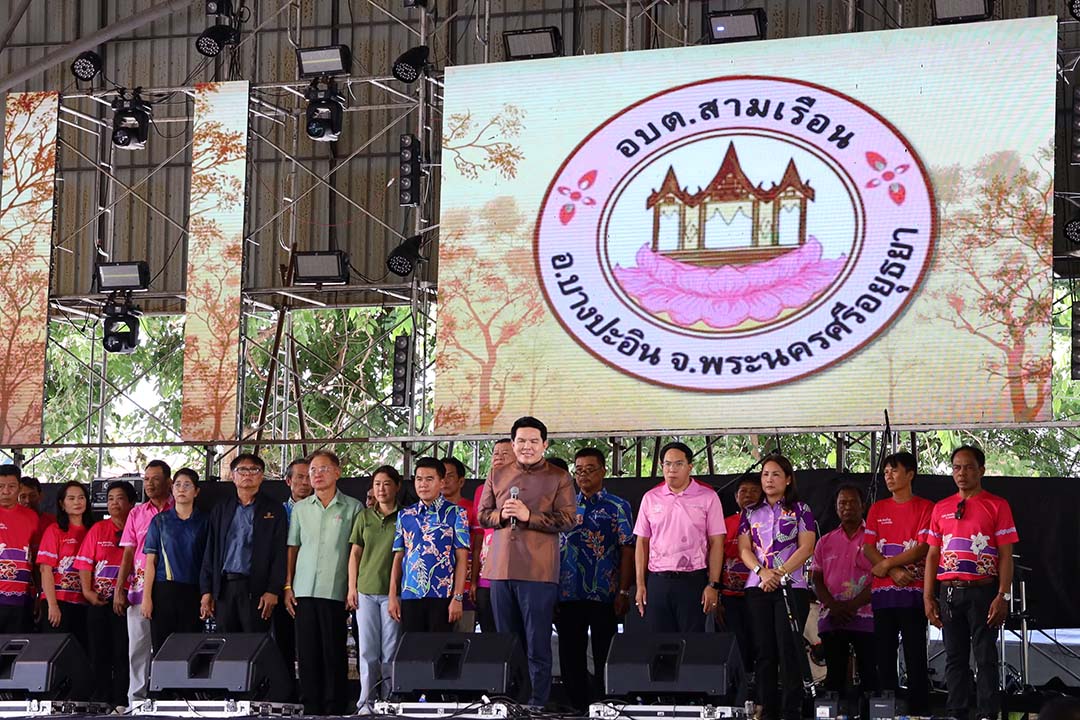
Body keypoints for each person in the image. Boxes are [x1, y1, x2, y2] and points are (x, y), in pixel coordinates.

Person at [478, 417, 576, 708]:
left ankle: (537, 702)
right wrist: (501, 515)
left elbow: (568, 520)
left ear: (544, 444)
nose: (527, 446)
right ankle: (511, 700)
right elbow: (482, 515)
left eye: (534, 441)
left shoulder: (559, 477)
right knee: (507, 642)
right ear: (512, 443)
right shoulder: (496, 474)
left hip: (538, 571)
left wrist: (528, 516)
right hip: (500, 569)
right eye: (521, 441)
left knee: (537, 642)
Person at [925, 445, 1018, 720]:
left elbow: (1006, 554)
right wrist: (928, 596)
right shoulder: (941, 508)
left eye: (968, 467)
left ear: (981, 470)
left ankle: (988, 713)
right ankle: (957, 711)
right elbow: (932, 554)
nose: (962, 473)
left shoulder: (997, 505)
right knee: (954, 656)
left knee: (985, 655)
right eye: (957, 467)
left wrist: (1002, 595)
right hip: (949, 591)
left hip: (984, 590)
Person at [284, 450, 361, 716]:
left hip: (336, 588)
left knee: (334, 649)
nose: (317, 474)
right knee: (307, 651)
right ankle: (310, 705)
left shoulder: (352, 507)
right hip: (303, 588)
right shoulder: (301, 508)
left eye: (323, 469)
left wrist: (352, 588)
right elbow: (293, 548)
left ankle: (335, 705)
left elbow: (356, 551)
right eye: (312, 470)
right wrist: (288, 586)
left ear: (337, 473)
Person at [739, 454, 816, 720]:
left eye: (775, 474)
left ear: (788, 479)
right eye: (765, 475)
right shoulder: (750, 512)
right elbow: (744, 549)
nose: (769, 480)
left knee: (789, 647)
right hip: (758, 586)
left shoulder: (801, 509)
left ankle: (791, 709)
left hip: (791, 586)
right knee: (764, 650)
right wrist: (762, 572)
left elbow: (807, 546)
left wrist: (779, 572)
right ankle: (766, 709)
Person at [557, 447, 634, 712]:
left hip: (605, 592)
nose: (583, 475)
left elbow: (627, 549)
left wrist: (624, 591)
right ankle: (577, 706)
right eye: (578, 470)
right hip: (567, 592)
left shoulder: (618, 506)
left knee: (605, 652)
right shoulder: (564, 505)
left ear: (603, 471)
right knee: (569, 654)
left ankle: (605, 705)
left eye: (590, 469)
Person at [863, 451, 932, 713]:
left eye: (894, 470)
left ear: (910, 474)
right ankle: (885, 710)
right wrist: (891, 571)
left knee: (915, 655)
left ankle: (918, 711)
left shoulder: (926, 507)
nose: (888, 476)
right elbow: (868, 547)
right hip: (883, 594)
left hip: (913, 592)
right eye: (885, 472)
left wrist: (887, 564)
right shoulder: (877, 508)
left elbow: (922, 547)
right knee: (884, 655)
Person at [634, 442, 725, 633]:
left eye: (678, 464)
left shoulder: (708, 497)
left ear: (690, 467)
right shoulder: (650, 498)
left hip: (693, 580)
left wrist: (713, 584)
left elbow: (717, 543)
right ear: (661, 466)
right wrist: (641, 585)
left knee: (692, 643)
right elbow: (642, 542)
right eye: (667, 464)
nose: (672, 469)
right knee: (659, 643)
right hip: (658, 580)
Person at [200, 454, 287, 634]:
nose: (247, 474)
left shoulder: (274, 509)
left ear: (261, 476)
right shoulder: (221, 509)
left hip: (257, 589)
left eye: (254, 470)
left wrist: (273, 590)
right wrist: (206, 590)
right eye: (242, 470)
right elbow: (211, 551)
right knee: (226, 642)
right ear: (233, 476)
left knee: (254, 642)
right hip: (225, 587)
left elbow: (280, 553)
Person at [115, 459, 173, 707]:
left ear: (169, 482)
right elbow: (128, 553)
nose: (149, 484)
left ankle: (166, 698)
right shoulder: (136, 513)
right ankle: (136, 700)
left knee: (168, 645)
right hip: (139, 589)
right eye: (146, 479)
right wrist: (120, 588)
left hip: (170, 587)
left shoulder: (179, 508)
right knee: (138, 646)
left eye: (155, 479)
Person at [389, 457, 470, 633]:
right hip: (410, 594)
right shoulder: (405, 515)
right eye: (419, 479)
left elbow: (462, 559)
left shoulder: (457, 513)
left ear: (441, 482)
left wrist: (458, 597)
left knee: (439, 647)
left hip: (442, 595)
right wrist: (392, 596)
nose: (423, 484)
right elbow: (399, 556)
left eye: (429, 479)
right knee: (412, 647)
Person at [75, 480, 135, 708]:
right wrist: (87, 591)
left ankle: (121, 700)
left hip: (128, 603)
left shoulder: (137, 527)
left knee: (122, 652)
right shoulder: (98, 529)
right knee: (99, 652)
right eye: (110, 499)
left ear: (131, 503)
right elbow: (84, 563)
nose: (114, 503)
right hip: (99, 602)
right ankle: (101, 699)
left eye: (119, 498)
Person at [347, 466, 402, 712]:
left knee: (390, 650)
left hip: (393, 593)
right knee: (367, 650)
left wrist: (393, 594)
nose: (381, 489)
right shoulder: (364, 517)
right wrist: (352, 587)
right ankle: (366, 703)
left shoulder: (405, 516)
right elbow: (354, 554)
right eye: (377, 484)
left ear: (397, 487)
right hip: (365, 591)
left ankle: (389, 701)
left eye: (387, 483)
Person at [812, 485, 877, 695]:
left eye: (852, 502)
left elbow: (880, 577)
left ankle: (869, 710)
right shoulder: (824, 542)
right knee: (834, 678)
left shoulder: (874, 539)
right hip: (832, 617)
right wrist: (833, 606)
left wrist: (851, 605)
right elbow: (816, 578)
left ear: (863, 506)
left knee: (870, 676)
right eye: (842, 503)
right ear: (836, 508)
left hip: (867, 616)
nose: (847, 507)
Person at [141, 468, 208, 653]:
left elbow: (209, 561)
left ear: (196, 491)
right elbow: (150, 562)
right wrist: (146, 598)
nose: (181, 489)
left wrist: (207, 594)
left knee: (190, 649)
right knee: (163, 648)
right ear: (171, 489)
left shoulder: (205, 521)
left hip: (193, 591)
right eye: (177, 485)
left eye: (187, 485)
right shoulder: (160, 521)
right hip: (164, 591)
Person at [37, 481, 90, 649]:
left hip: (85, 603)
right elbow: (45, 569)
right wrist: (52, 605)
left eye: (81, 497)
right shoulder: (55, 530)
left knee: (82, 652)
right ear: (62, 503)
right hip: (58, 601)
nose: (77, 502)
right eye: (71, 498)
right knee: (55, 651)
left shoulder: (93, 530)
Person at [721, 476, 763, 671]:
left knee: (761, 640)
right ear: (736, 497)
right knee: (737, 642)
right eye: (743, 491)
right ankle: (741, 681)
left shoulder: (768, 522)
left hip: (761, 593)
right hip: (730, 596)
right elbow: (715, 558)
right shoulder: (724, 524)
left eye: (754, 491)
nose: (748, 495)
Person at [472, 439, 513, 633]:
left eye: (505, 453)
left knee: (511, 634)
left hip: (513, 575)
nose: (498, 457)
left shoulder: (524, 488)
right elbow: (479, 538)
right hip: (486, 577)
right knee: (489, 636)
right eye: (496, 453)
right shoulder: (482, 490)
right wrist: (473, 581)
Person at [440, 456, 477, 632]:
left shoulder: (472, 509)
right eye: (441, 476)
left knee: (463, 637)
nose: (444, 481)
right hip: (438, 586)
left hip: (466, 586)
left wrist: (474, 582)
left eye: (450, 476)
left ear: (461, 481)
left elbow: (477, 548)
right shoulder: (428, 512)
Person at [0, 465, 38, 633]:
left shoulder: (31, 517)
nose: (5, 491)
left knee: (16, 645)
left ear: (19, 487)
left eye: (11, 486)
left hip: (22, 599)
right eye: (0, 486)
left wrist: (39, 594)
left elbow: (36, 559)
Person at [19, 476, 56, 542]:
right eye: (23, 497)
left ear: (40, 496)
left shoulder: (53, 522)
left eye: (32, 496)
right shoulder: (9, 524)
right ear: (17, 499)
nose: (28, 500)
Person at [283, 458, 312, 523]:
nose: (305, 482)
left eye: (309, 477)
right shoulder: (278, 512)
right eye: (300, 477)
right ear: (288, 481)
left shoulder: (321, 511)